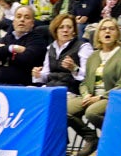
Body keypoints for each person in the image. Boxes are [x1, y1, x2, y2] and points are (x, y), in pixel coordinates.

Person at [33, 13, 96, 141]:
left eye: (69, 27)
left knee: (53, 110)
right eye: (61, 27)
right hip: (50, 89)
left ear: (74, 31)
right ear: (55, 30)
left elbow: (88, 76)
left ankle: (86, 137)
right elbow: (46, 75)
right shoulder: (50, 47)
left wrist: (74, 68)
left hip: (71, 91)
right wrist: (37, 75)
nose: (65, 30)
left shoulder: (83, 47)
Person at [78, 19, 121, 155]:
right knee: (63, 109)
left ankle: (114, 137)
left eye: (111, 29)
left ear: (117, 34)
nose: (107, 31)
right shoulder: (93, 56)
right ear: (98, 34)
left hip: (110, 97)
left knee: (91, 112)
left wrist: (100, 97)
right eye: (103, 29)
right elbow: (84, 82)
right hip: (90, 96)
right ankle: (90, 137)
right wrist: (86, 95)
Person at [0, 5, 48, 85]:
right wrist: (13, 48)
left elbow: (26, 58)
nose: (22, 20)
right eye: (18, 16)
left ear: (32, 23)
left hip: (22, 86)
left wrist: (5, 52)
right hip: (0, 84)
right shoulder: (7, 37)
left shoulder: (37, 40)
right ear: (13, 22)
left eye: (27, 17)